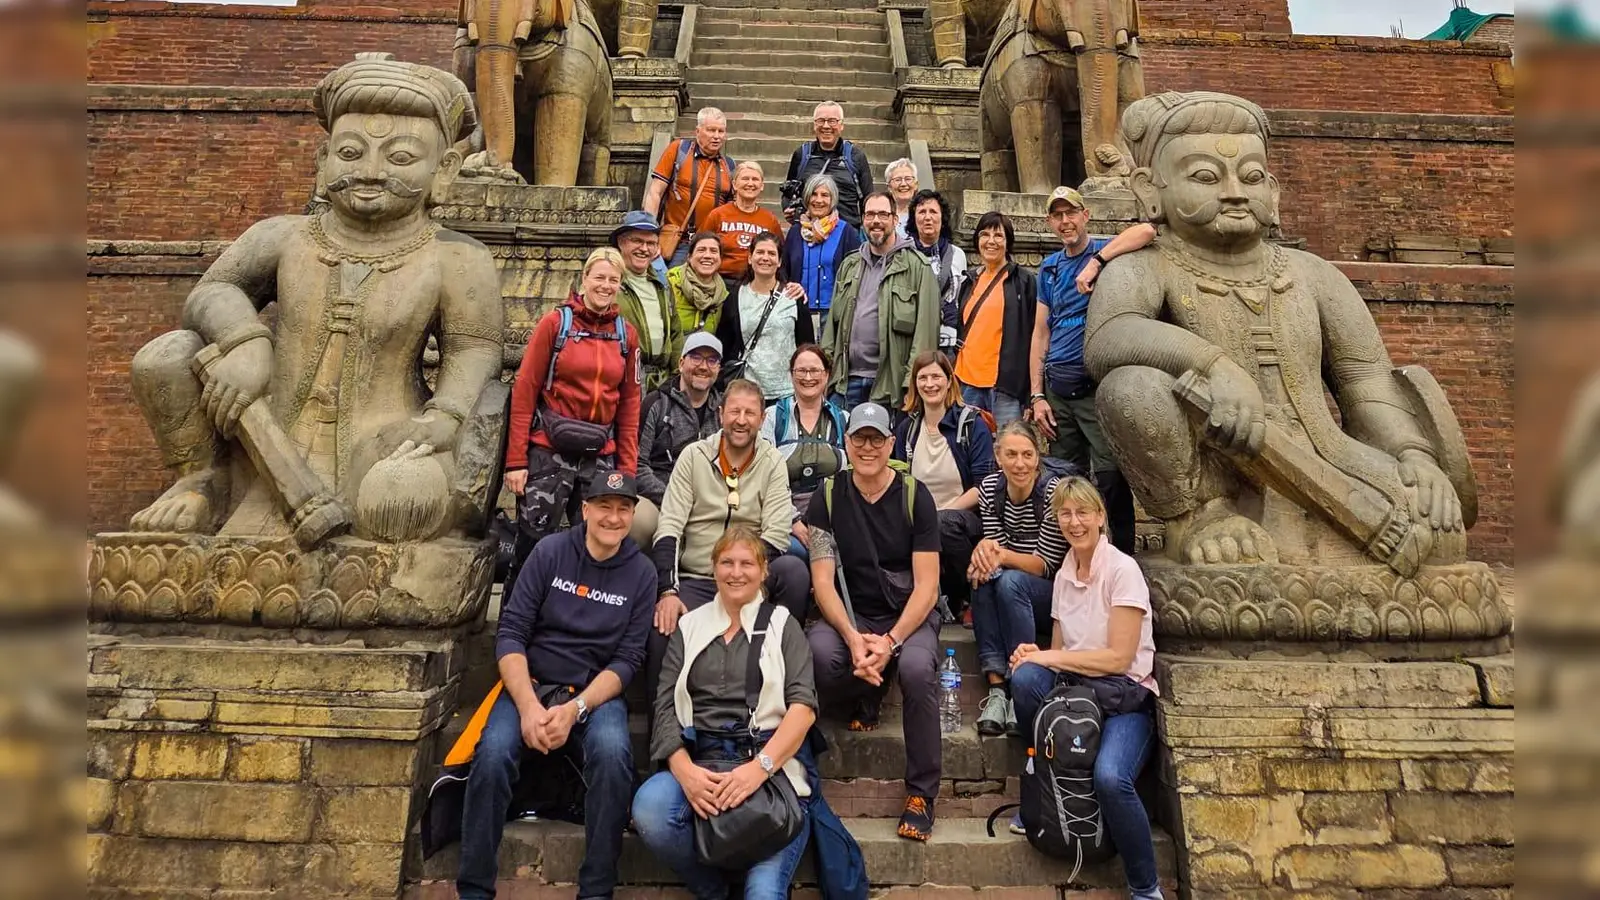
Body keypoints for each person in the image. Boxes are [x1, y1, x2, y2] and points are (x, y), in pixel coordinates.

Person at [458, 472, 656, 900]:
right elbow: (510, 633)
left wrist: (576, 709)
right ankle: (474, 889)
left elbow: (627, 662)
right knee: (491, 756)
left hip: (593, 694)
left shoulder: (641, 573)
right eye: (604, 505)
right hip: (532, 682)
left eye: (623, 508)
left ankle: (597, 890)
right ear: (585, 510)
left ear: (633, 515)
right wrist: (529, 707)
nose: (613, 517)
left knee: (613, 756)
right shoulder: (550, 552)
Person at [632, 525, 818, 900]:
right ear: (713, 568)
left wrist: (757, 770)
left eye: (747, 563)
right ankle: (713, 890)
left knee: (763, 895)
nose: (736, 572)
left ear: (763, 570)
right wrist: (685, 773)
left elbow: (803, 709)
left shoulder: (784, 625)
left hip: (770, 774)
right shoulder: (690, 625)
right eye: (727, 562)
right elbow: (665, 704)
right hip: (704, 765)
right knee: (651, 809)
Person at [1008, 477, 1161, 900]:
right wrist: (1034, 655)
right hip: (1079, 695)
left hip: (1125, 699)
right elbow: (1059, 652)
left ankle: (1145, 888)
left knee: (1111, 779)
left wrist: (1048, 657)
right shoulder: (1063, 574)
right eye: (1065, 513)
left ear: (1100, 517)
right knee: (1024, 677)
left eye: (1082, 513)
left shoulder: (1123, 570)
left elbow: (1118, 657)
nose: (1074, 522)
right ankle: (1042, 784)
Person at [805, 402, 943, 842]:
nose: (867, 447)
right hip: (853, 612)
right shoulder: (827, 495)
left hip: (906, 614)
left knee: (919, 671)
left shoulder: (914, 495)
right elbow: (822, 580)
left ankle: (922, 792)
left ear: (891, 443)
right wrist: (850, 636)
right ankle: (868, 686)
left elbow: (928, 587)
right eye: (859, 438)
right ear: (846, 443)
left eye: (876, 439)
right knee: (820, 655)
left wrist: (890, 642)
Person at [647, 380, 811, 702]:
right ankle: (662, 744)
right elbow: (669, 524)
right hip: (699, 575)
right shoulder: (694, 457)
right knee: (661, 633)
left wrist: (742, 572)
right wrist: (668, 590)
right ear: (721, 414)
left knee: (794, 571)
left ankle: (785, 670)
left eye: (750, 413)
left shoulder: (772, 461)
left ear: (762, 420)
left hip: (750, 574)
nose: (741, 420)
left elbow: (777, 530)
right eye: (734, 410)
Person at [1029, 186, 1154, 553]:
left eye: (1071, 213)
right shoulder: (1049, 270)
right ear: (1050, 222)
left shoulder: (1104, 250)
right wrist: (1037, 394)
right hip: (1058, 389)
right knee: (1064, 479)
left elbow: (1148, 231)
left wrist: (1098, 262)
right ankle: (1072, 560)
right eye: (1057, 216)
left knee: (1112, 476)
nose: (1065, 222)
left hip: (1095, 386)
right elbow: (1040, 333)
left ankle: (1122, 559)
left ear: (1085, 215)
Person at [506, 247, 642, 561]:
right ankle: (520, 611)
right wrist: (516, 461)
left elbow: (631, 405)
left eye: (613, 279)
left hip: (600, 454)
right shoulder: (555, 324)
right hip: (549, 450)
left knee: (596, 548)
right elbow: (525, 390)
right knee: (533, 546)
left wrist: (627, 470)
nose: (605, 285)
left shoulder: (626, 336)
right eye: (599, 277)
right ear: (584, 279)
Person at [969, 420, 1070, 736]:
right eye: (1011, 454)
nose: (1019, 463)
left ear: (1037, 457)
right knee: (981, 576)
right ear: (998, 457)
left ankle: (1019, 677)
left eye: (1027, 454)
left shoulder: (1052, 492)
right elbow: (994, 550)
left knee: (1008, 580)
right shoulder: (990, 489)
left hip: (1049, 594)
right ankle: (997, 689)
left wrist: (999, 555)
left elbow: (1045, 565)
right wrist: (985, 558)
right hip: (1008, 587)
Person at [891, 351, 994, 620]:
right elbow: (900, 479)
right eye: (922, 377)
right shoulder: (907, 428)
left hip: (965, 518)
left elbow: (984, 485)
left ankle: (971, 597)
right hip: (919, 517)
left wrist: (938, 515)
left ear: (949, 381)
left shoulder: (971, 424)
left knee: (942, 524)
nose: (930, 384)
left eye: (936, 376)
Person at [821, 191, 941, 412]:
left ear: (895, 219)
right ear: (863, 220)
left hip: (891, 388)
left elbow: (925, 335)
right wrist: (825, 372)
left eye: (883, 214)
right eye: (870, 215)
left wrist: (910, 384)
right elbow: (832, 328)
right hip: (846, 383)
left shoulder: (918, 267)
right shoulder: (849, 265)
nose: (876, 221)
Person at [633, 332, 725, 549]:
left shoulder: (724, 410)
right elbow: (637, 465)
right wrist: (673, 499)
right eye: (696, 358)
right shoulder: (655, 404)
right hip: (660, 498)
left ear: (719, 369)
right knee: (636, 521)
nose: (704, 366)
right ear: (681, 362)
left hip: (709, 504)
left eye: (712, 360)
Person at [952, 210, 1040, 428]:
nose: (991, 241)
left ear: (1008, 242)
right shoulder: (970, 280)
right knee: (969, 446)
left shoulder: (1023, 281)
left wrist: (1032, 392)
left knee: (1008, 448)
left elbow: (1034, 335)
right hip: (967, 382)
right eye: (985, 234)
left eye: (998, 235)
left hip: (1005, 386)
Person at [761, 344, 848, 564]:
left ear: (827, 375)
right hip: (783, 520)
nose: (808, 377)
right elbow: (764, 477)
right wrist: (793, 522)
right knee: (796, 554)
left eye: (815, 371)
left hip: (834, 519)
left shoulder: (843, 420)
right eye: (801, 371)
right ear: (791, 375)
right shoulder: (773, 418)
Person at [717, 231, 814, 404]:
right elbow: (726, 343)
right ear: (750, 257)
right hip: (747, 390)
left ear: (780, 261)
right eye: (760, 252)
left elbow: (806, 346)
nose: (765, 258)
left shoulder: (794, 296)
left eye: (771, 253)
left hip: (786, 391)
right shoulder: (735, 296)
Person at [643, 107, 737, 266]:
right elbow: (655, 192)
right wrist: (650, 234)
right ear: (698, 131)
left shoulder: (729, 165)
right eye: (711, 130)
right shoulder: (679, 150)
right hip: (677, 240)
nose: (716, 136)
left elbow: (731, 209)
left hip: (710, 244)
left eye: (721, 131)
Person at [780, 174, 861, 327]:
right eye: (813, 194)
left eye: (825, 195)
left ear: (833, 200)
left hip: (834, 315)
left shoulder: (846, 232)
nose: (818, 200)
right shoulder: (795, 232)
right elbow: (784, 270)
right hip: (799, 311)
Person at [612, 210, 678, 391]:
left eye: (651, 243)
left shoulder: (662, 283)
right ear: (621, 242)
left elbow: (675, 332)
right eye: (637, 241)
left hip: (660, 381)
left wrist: (677, 376)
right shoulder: (609, 282)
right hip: (622, 379)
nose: (644, 249)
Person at [783, 101, 874, 229]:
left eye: (832, 121)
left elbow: (868, 199)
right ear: (814, 125)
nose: (826, 126)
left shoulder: (855, 157)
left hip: (846, 234)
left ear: (841, 125)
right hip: (808, 231)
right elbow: (788, 192)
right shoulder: (801, 155)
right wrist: (788, 209)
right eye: (820, 121)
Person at [702, 160, 787, 280]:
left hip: (756, 282)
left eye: (755, 179)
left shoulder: (770, 220)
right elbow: (700, 248)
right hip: (721, 281)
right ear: (734, 184)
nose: (750, 183)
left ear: (762, 186)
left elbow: (780, 254)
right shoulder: (718, 215)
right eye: (745, 179)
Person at [906, 189, 967, 355]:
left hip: (948, 339)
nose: (927, 217)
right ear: (914, 218)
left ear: (942, 218)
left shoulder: (957, 255)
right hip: (911, 338)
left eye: (933, 211)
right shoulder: (902, 254)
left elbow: (961, 298)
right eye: (921, 212)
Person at [666, 231, 728, 361]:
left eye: (713, 251)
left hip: (701, 367)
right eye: (701, 250)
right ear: (689, 257)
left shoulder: (722, 294)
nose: (707, 255)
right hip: (671, 364)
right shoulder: (670, 284)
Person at [884, 157, 919, 237]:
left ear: (916, 184)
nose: (903, 184)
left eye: (908, 179)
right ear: (889, 187)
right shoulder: (882, 214)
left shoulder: (923, 214)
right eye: (898, 180)